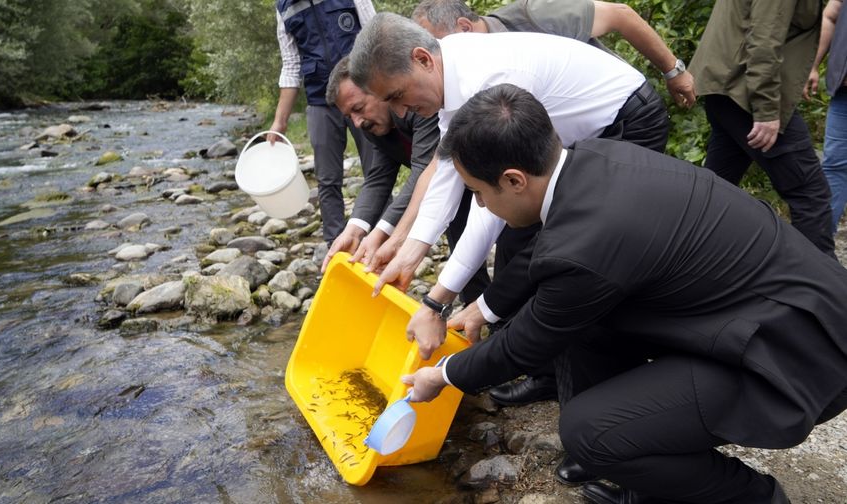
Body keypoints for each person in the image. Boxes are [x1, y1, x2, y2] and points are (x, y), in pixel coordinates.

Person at [404, 83, 847, 504]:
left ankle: (753, 496)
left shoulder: (586, 246)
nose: (480, 205)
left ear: (515, 180)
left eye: (479, 193)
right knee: (589, 327)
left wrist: (443, 375)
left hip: (793, 353)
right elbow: (545, 254)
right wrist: (482, 308)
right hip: (761, 314)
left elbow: (524, 345)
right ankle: (647, 477)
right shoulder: (595, 158)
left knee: (589, 432)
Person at [347, 12, 668, 415]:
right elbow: (450, 169)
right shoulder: (450, 70)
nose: (401, 113)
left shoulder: (490, 77)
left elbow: (493, 201)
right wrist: (411, 252)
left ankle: (608, 399)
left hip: (623, 122)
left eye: (396, 96)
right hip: (562, 144)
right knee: (519, 249)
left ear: (422, 59)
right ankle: (547, 374)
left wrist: (436, 300)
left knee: (572, 257)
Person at [322, 57, 491, 303]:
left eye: (358, 109)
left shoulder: (416, 104)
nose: (357, 123)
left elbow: (424, 170)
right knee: (459, 236)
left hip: (480, 174)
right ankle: (475, 310)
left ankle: (501, 313)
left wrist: (382, 233)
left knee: (505, 241)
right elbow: (379, 176)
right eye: (349, 116)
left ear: (379, 89)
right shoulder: (371, 123)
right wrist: (354, 229)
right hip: (448, 183)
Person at [689, 0, 836, 257]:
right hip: (744, 92)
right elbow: (764, 39)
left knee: (715, 191)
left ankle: (683, 268)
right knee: (810, 194)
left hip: (728, 87)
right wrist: (767, 109)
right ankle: (820, 292)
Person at [412, 0, 696, 108]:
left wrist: (673, 71)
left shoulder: (533, 15)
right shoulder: (467, 77)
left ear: (463, 28)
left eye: (441, 47)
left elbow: (621, 16)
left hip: (623, 113)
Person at [269, 0, 377, 244]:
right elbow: (291, 65)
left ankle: (380, 241)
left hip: (361, 93)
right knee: (327, 181)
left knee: (377, 172)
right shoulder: (283, 8)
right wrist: (279, 122)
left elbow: (375, 32)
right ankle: (336, 249)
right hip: (320, 100)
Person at [806, 0, 847, 235]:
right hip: (844, 93)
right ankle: (821, 253)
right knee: (834, 166)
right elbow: (831, 15)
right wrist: (812, 65)